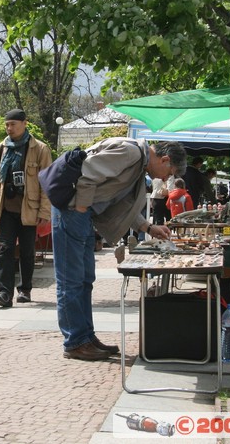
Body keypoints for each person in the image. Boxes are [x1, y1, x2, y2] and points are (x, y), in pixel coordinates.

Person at [51, 138, 186, 361]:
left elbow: (121, 203)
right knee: (71, 279)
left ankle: (85, 336)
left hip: (79, 213)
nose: (166, 178)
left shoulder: (137, 161)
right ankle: (75, 341)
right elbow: (87, 174)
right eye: (169, 172)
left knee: (84, 279)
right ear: (164, 159)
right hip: (72, 210)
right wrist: (82, 208)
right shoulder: (131, 153)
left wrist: (148, 227)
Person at [0, 109, 52, 308]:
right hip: (5, 207)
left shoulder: (40, 149)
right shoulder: (1, 148)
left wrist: (45, 211)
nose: (9, 128)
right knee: (5, 249)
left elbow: (47, 182)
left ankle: (25, 289)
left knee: (27, 251)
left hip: (29, 209)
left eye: (13, 124)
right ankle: (4, 293)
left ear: (24, 124)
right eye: (7, 125)